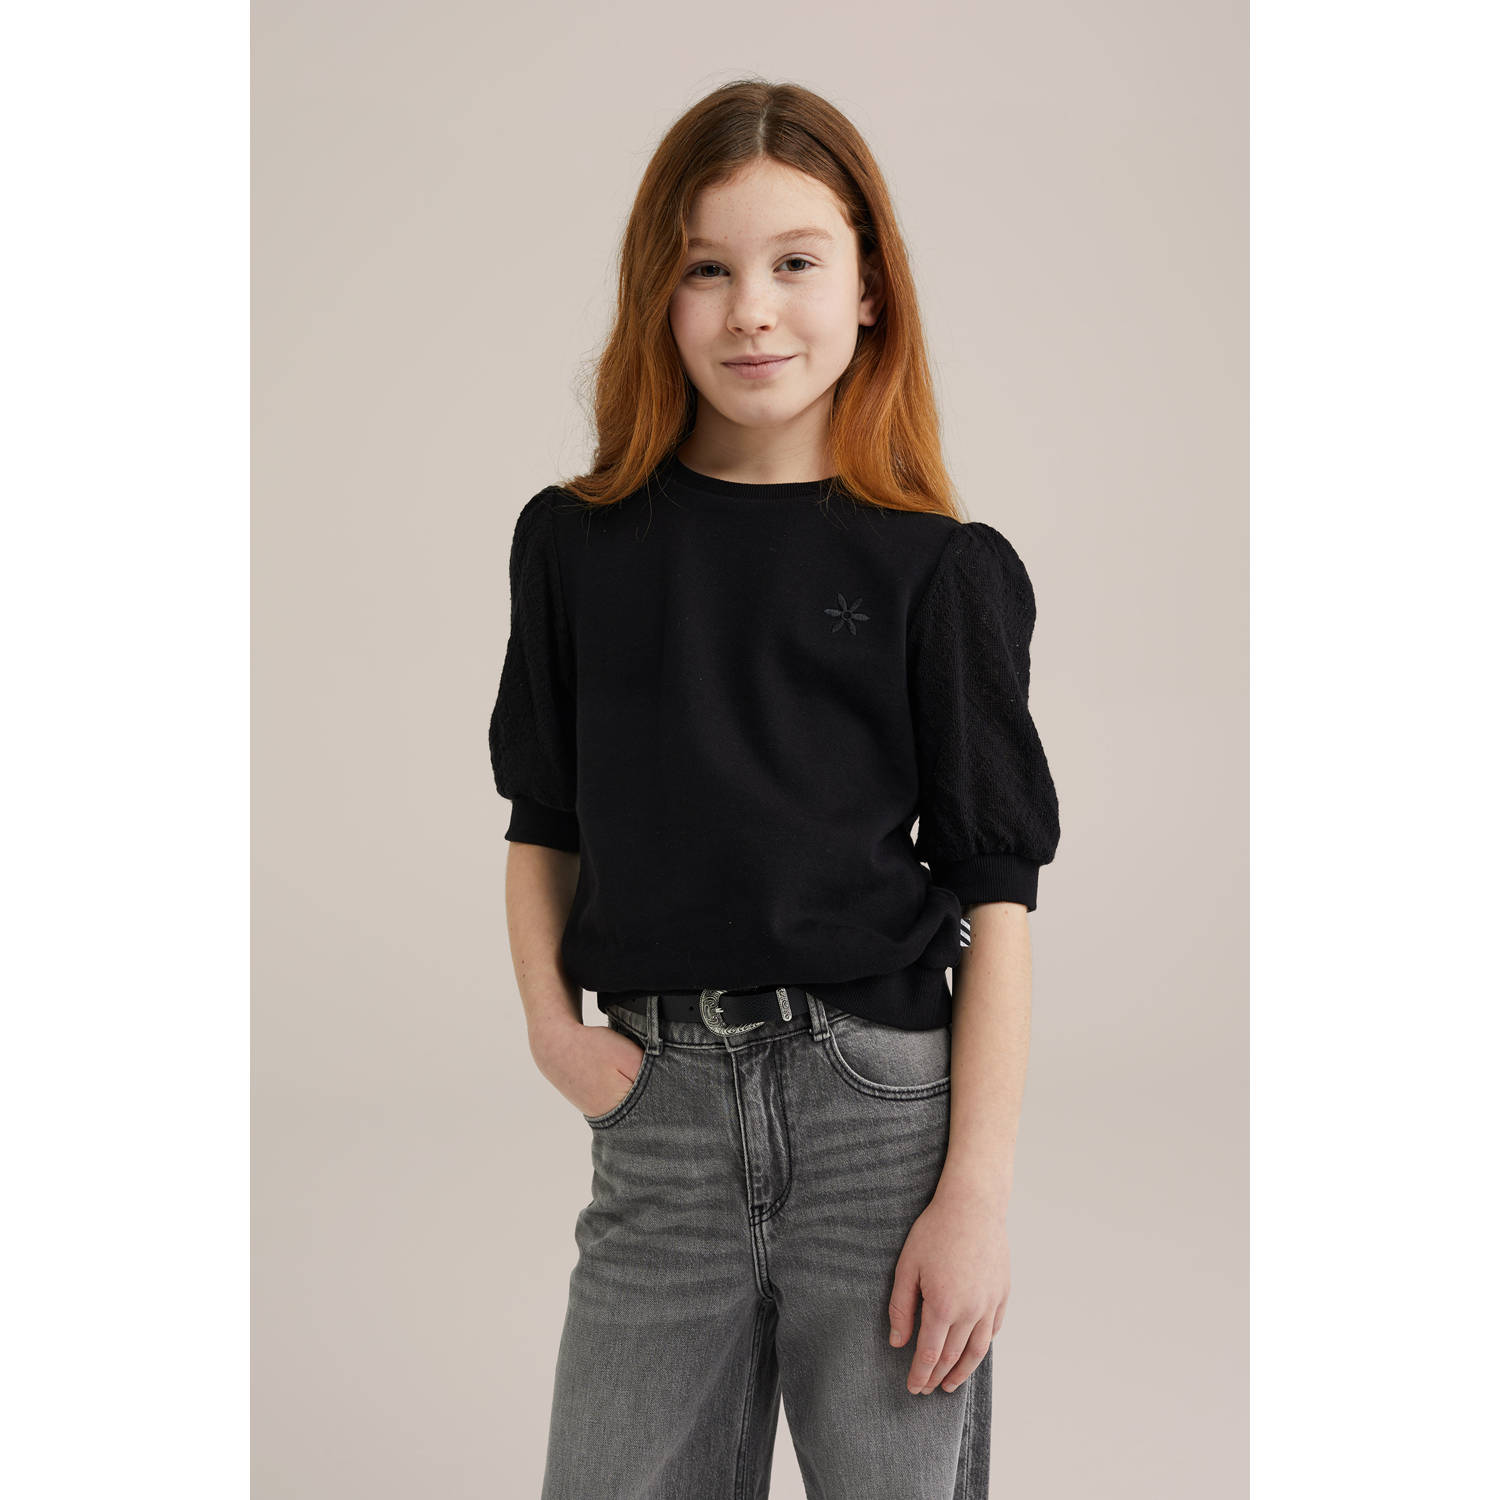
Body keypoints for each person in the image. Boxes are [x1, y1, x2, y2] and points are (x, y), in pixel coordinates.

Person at [489, 77, 1061, 1500]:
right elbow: (543, 820)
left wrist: (974, 1199)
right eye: (707, 269)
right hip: (661, 1126)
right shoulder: (575, 548)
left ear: (868, 289)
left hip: (881, 1127)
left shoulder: (938, 572)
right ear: (659, 295)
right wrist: (557, 1036)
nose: (753, 311)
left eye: (796, 262)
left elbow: (996, 893)